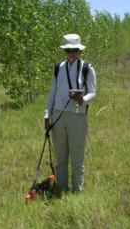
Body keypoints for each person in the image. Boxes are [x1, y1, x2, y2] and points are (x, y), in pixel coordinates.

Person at [44, 34, 96, 193]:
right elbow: (52, 92)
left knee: (77, 158)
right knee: (60, 158)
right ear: (64, 51)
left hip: (78, 116)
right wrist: (47, 115)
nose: (71, 53)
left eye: (74, 50)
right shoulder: (58, 67)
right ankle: (61, 189)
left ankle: (77, 192)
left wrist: (82, 100)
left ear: (79, 51)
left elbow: (93, 92)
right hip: (58, 116)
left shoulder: (87, 67)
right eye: (68, 50)